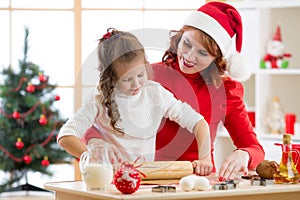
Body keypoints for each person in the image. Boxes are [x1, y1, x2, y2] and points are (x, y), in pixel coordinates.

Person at [57, 28, 213, 175]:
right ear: (111, 76)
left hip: (144, 179)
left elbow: (199, 123)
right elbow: (65, 136)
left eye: (140, 74)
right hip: (108, 181)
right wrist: (88, 156)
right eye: (127, 79)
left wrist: (205, 158)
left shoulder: (155, 93)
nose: (136, 84)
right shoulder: (99, 99)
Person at [150, 1, 265, 180]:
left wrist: (244, 154)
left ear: (217, 58)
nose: (189, 56)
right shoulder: (150, 75)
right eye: (187, 44)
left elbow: (255, 148)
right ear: (179, 37)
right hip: (150, 177)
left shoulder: (225, 90)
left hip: (200, 181)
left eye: (203, 53)